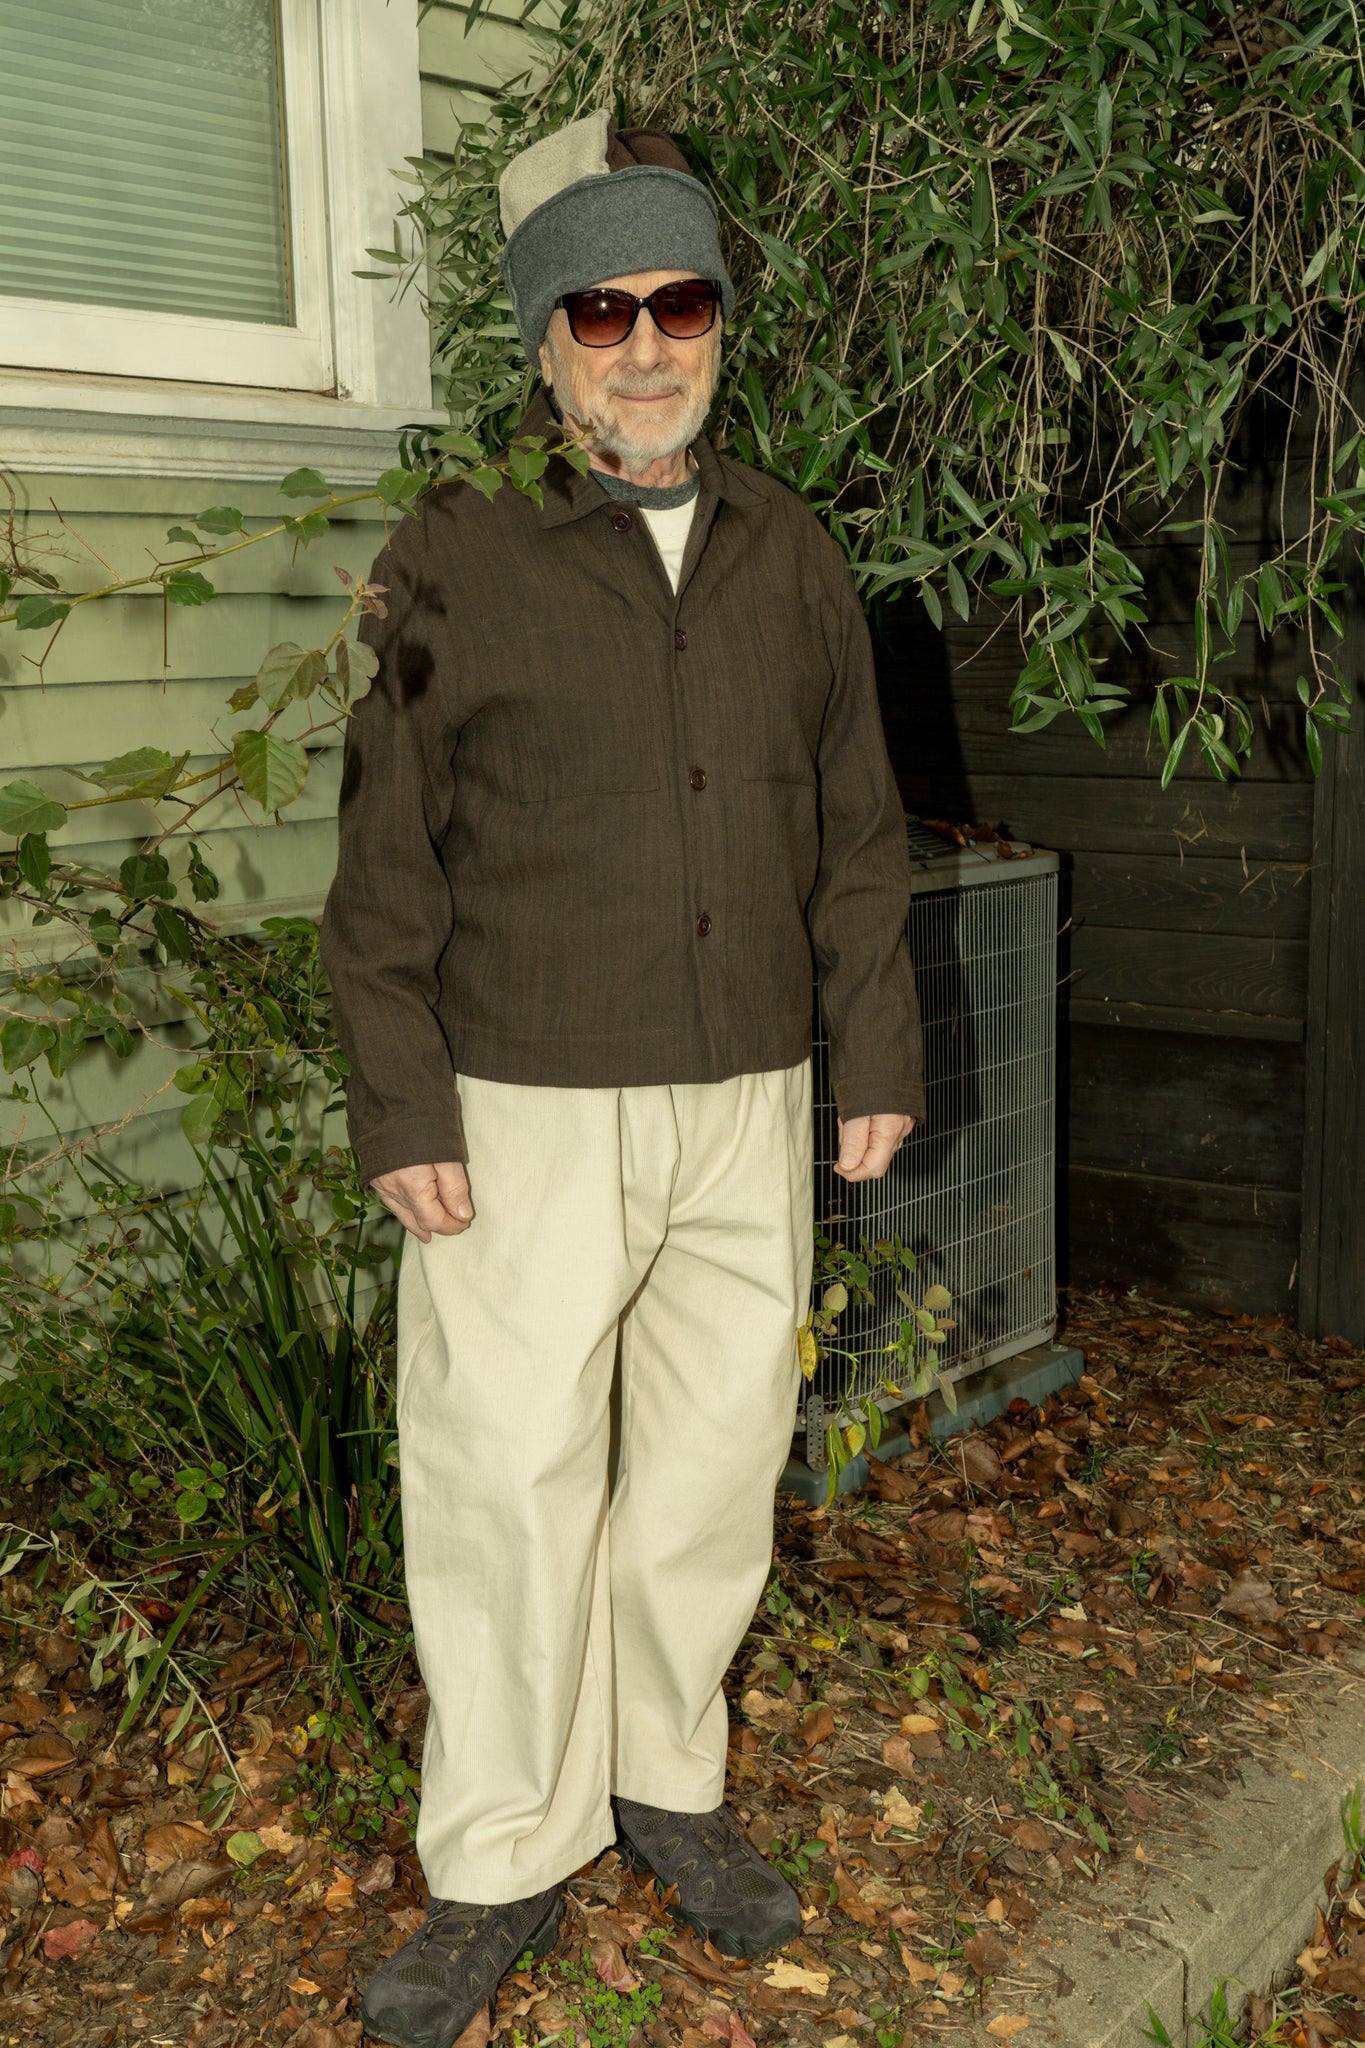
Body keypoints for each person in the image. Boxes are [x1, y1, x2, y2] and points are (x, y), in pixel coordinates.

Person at [320, 108, 924, 2048]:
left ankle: (663, 1776)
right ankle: (500, 1848)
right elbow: (382, 854)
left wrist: (873, 1048)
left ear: (719, 321)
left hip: (746, 1094)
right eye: (602, 308)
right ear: (545, 335)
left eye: (677, 301)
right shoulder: (453, 556)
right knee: (502, 1477)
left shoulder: (788, 551)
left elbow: (850, 824)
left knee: (704, 1461)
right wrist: (400, 1102)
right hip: (519, 1104)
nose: (645, 343)